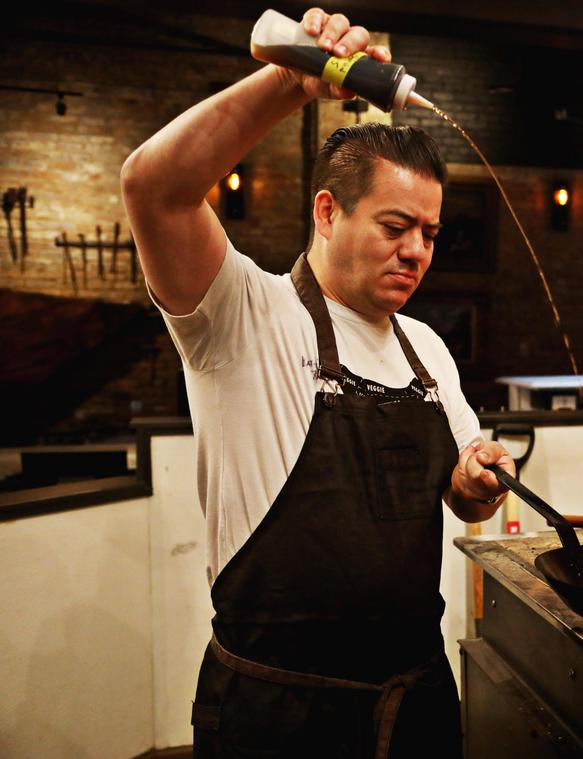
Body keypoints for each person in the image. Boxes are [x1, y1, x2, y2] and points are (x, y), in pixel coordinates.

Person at [120, 7, 515, 757]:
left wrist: (482, 476)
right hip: (278, 715)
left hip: (416, 703)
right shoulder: (242, 314)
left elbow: (465, 499)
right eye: (395, 226)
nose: (417, 251)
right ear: (328, 212)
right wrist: (291, 83)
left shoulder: (427, 350)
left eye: (429, 233)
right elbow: (154, 187)